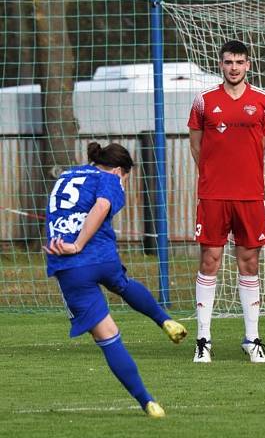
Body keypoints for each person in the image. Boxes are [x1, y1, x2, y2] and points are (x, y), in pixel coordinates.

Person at [44, 142, 187, 417]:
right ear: (121, 171)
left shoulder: (65, 177)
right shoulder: (109, 178)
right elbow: (102, 204)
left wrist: (68, 245)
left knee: (110, 338)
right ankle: (163, 319)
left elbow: (60, 215)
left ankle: (148, 402)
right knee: (121, 283)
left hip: (67, 265)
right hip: (98, 256)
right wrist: (79, 243)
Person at [187, 40, 265, 363]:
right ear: (220, 64)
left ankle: (252, 339)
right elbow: (196, 145)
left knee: (249, 264)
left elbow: (261, 145)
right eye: (228, 62)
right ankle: (203, 340)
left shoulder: (263, 102)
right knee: (209, 260)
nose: (234, 67)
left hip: (250, 195)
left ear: (248, 65)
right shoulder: (204, 101)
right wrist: (213, 175)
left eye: (239, 62)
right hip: (213, 195)